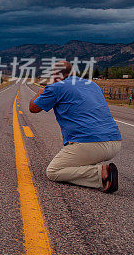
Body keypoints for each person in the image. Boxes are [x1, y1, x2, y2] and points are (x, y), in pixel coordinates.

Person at [29, 60, 122, 193]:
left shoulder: (57, 87)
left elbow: (33, 108)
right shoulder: (93, 85)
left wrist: (39, 93)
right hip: (115, 142)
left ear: (56, 75)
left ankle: (101, 173)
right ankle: (92, 166)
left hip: (89, 144)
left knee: (53, 171)